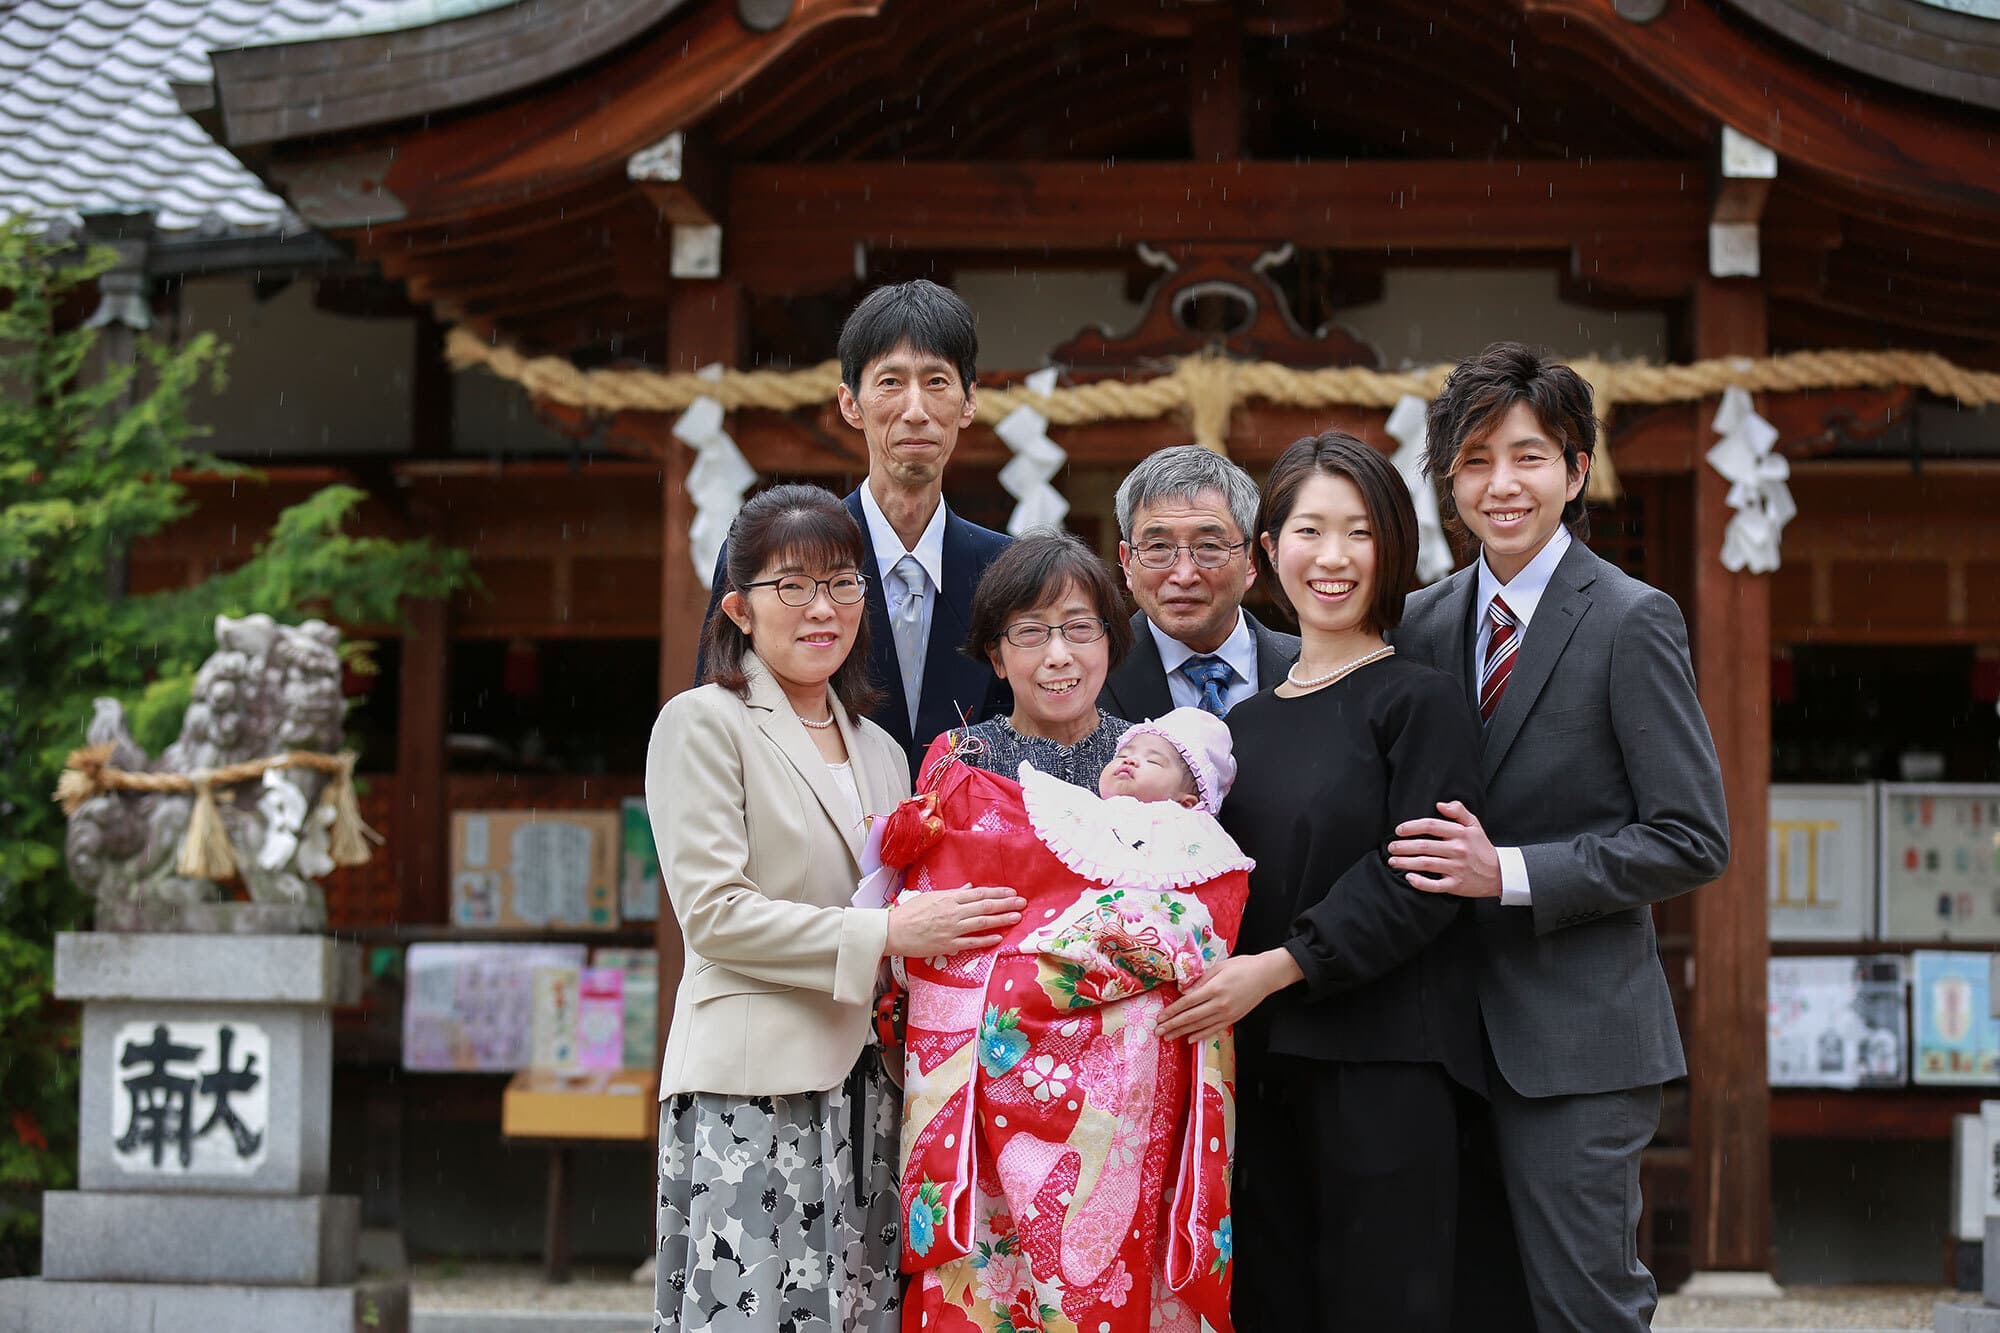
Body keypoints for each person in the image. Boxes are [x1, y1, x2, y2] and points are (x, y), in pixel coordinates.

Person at [1386, 342, 1729, 1333]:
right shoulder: (1416, 621)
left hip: (1576, 1042)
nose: (1502, 484)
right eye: (1477, 458)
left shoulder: (1630, 619)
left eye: (1528, 456)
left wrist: (1511, 873)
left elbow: (1689, 835)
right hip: (1440, 1037)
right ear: (1447, 478)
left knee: (1583, 1310)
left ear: (1575, 471)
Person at [646, 484, 1026, 1333]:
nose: (823, 607)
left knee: (857, 1316)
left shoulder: (884, 749)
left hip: (871, 1088)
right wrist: (888, 933)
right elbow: (714, 915)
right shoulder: (703, 724)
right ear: (739, 607)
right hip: (753, 1091)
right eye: (794, 586)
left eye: (843, 583)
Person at [1154, 432, 1487, 1333]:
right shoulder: (1245, 726)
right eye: (1308, 530)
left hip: (1386, 1068)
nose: (1332, 558)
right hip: (1259, 1071)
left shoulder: (1419, 699)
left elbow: (1421, 875)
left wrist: (1279, 967)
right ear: (1269, 552)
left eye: (1358, 532)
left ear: (1393, 551)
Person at [883, 706, 1252, 1333]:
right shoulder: (1065, 819)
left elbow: (1191, 936)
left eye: (1156, 759)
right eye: (1127, 752)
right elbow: (1002, 897)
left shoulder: (1201, 850)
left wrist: (1027, 972)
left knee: (1127, 1247)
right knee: (993, 1239)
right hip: (1018, 1071)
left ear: (1195, 796)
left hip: (1131, 1086)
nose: (1130, 760)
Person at [701, 280, 1011, 777]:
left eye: (937, 382)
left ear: (969, 401)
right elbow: (719, 723)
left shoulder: (1005, 569)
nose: (916, 410)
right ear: (850, 403)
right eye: (890, 382)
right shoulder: (773, 556)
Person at [1101, 444, 1299, 721]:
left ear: (1252, 559)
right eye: (1158, 547)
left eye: (1208, 546)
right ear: (1128, 563)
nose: (1183, 576)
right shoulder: (1090, 673)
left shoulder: (1311, 670)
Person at [925, 530, 1134, 788]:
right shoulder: (961, 759)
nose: (1058, 657)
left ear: (1109, 640)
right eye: (1031, 631)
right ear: (997, 657)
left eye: (1080, 627)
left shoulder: (1151, 753)